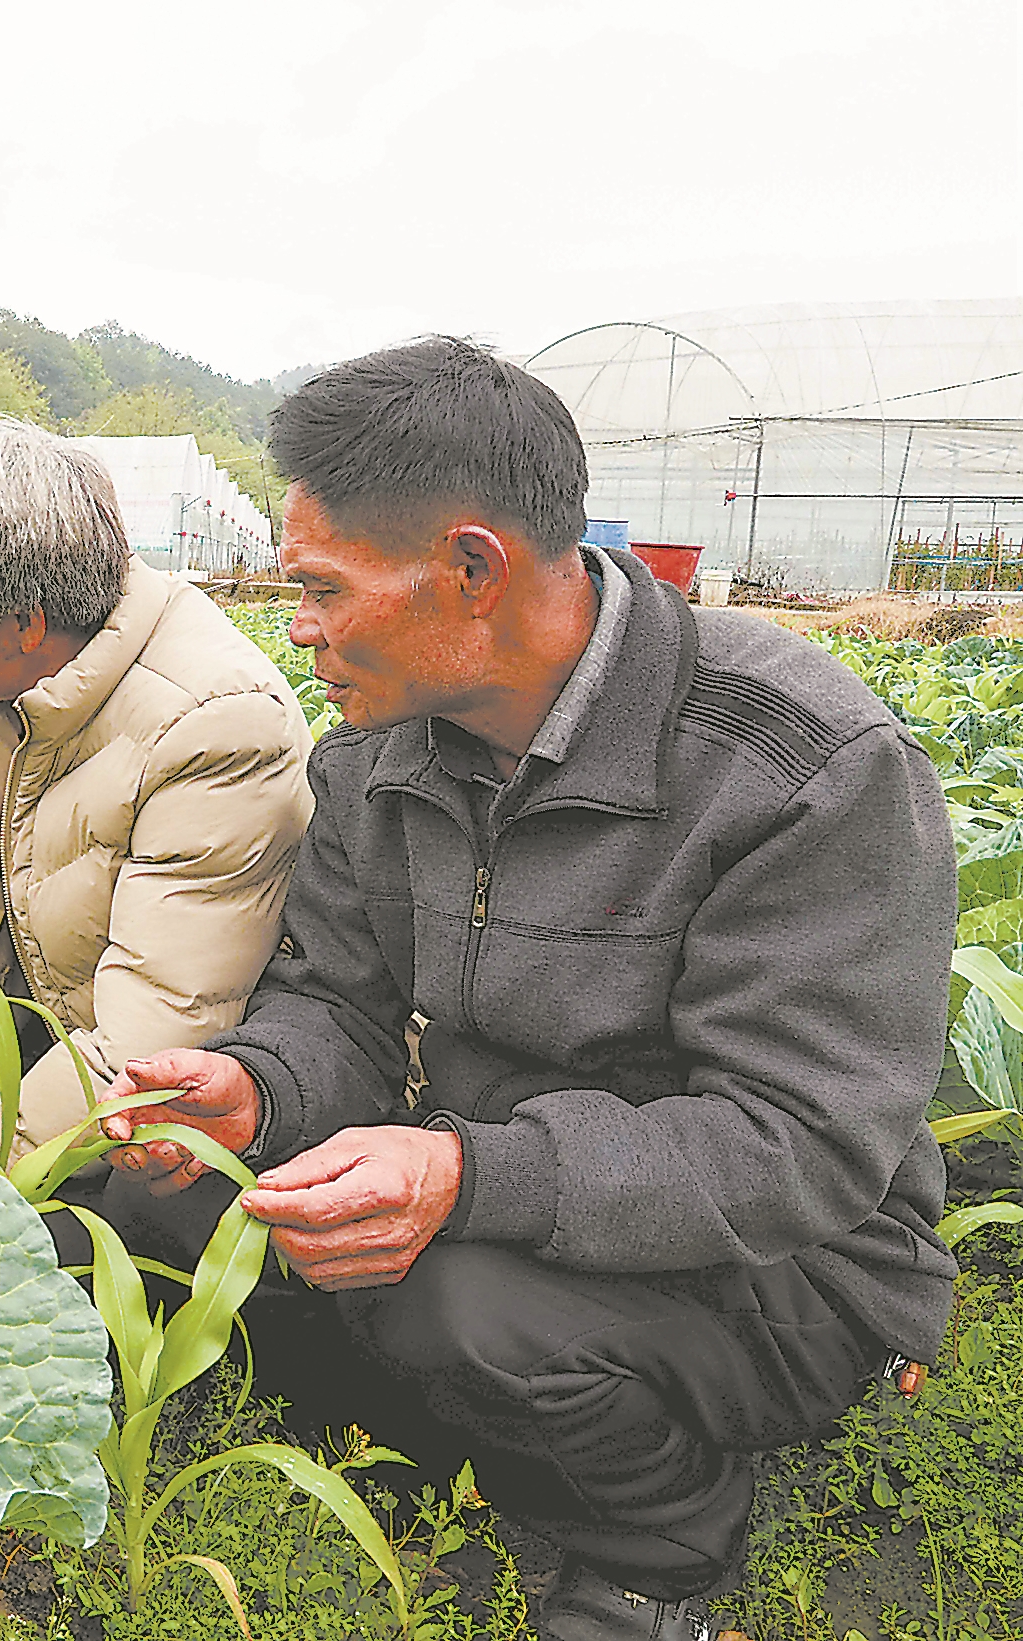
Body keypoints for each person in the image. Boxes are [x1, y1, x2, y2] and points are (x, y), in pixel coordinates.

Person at [99, 338, 959, 1641]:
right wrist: (253, 1090)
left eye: (321, 589)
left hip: (784, 1256)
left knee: (458, 1309)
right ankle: (465, 1403)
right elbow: (333, 1006)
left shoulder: (797, 766)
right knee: (152, 1198)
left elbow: (795, 1146)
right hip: (494, 1180)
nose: (302, 630)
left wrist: (466, 1181)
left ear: (470, 569)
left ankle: (658, 1544)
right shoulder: (375, 762)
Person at [0, 416, 313, 1151]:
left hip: (137, 1114)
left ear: (24, 624)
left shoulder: (212, 728)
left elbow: (143, 1044)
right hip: (27, 1059)